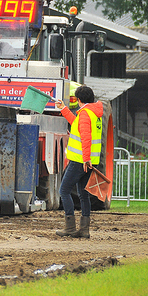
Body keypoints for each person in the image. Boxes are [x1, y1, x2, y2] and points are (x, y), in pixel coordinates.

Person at [55, 85, 104, 239]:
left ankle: (70, 228)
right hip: (89, 161)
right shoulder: (94, 113)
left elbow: (85, 137)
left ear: (79, 100)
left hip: (80, 160)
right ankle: (84, 230)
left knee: (64, 190)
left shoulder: (85, 114)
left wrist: (85, 158)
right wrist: (63, 109)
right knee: (83, 194)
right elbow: (77, 124)